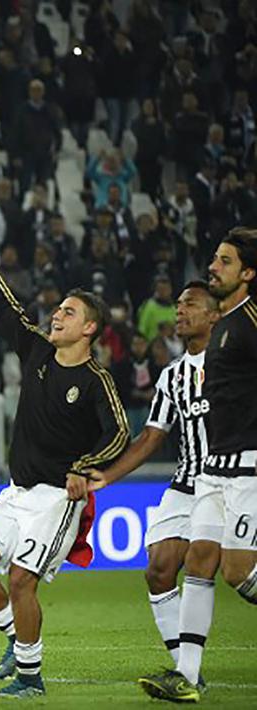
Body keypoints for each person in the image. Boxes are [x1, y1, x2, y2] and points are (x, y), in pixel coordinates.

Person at [0, 222, 128, 698]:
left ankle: (30, 677)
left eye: (69, 313)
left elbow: (119, 435)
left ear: (89, 328)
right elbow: (3, 303)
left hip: (56, 498)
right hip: (16, 492)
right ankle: (15, 641)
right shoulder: (36, 352)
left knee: (23, 580)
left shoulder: (95, 381)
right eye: (58, 310)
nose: (57, 316)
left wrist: (83, 467)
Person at [136, 231, 257, 702]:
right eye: (215, 259)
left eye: (225, 262)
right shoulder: (225, 324)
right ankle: (186, 675)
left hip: (247, 465)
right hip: (211, 470)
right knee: (199, 565)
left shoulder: (249, 319)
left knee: (236, 571)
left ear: (248, 273)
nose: (214, 267)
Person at [82, 282, 217, 683]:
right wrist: (107, 475)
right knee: (158, 570)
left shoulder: (235, 364)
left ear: (214, 315)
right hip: (185, 483)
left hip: (231, 481)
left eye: (190, 304)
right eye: (177, 306)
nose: (179, 311)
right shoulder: (171, 377)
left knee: (237, 574)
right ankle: (185, 670)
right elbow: (150, 438)